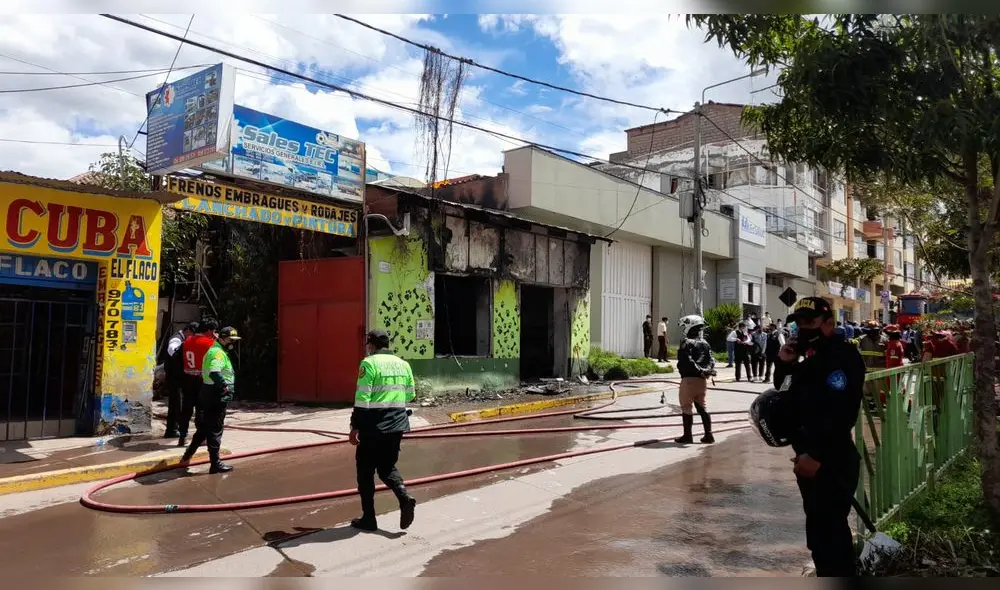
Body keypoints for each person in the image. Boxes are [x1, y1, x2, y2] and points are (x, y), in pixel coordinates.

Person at [773, 297, 865, 577]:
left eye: (810, 322)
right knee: (818, 532)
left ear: (829, 323)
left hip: (829, 460)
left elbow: (841, 413)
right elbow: (785, 392)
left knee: (831, 536)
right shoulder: (808, 358)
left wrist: (816, 455)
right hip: (809, 459)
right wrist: (785, 363)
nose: (803, 327)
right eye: (799, 322)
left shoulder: (841, 357)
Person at [350, 329, 418, 532]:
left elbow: (362, 399)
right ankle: (404, 497)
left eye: (366, 343)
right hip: (397, 424)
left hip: (374, 426)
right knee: (387, 468)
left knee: (365, 471)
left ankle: (369, 519)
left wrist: (354, 427)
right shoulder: (403, 364)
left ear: (370, 344)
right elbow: (411, 394)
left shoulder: (368, 363)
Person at [180, 326, 240, 474]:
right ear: (221, 338)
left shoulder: (214, 350)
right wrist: (224, 387)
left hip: (208, 392)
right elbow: (214, 372)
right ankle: (215, 463)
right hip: (215, 394)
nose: (232, 343)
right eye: (230, 340)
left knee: (204, 429)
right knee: (215, 429)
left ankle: (187, 456)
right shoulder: (217, 353)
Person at [674, 315, 716, 444]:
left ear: (689, 326)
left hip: (689, 380)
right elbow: (711, 360)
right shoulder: (706, 343)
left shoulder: (686, 342)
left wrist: (699, 370)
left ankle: (687, 436)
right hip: (702, 381)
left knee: (686, 407)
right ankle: (708, 435)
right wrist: (705, 372)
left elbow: (687, 360)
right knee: (702, 407)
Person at [179, 319, 218, 447]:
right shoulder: (210, 343)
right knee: (202, 410)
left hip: (188, 378)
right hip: (202, 379)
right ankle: (201, 438)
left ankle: (182, 436)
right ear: (209, 331)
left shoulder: (187, 340)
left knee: (186, 409)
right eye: (213, 331)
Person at [161, 321, 198, 439]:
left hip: (180, 378)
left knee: (176, 404)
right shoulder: (176, 339)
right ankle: (174, 430)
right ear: (188, 331)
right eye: (192, 335)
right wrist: (184, 346)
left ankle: (172, 430)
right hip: (174, 378)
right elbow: (172, 351)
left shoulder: (185, 339)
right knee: (177, 404)